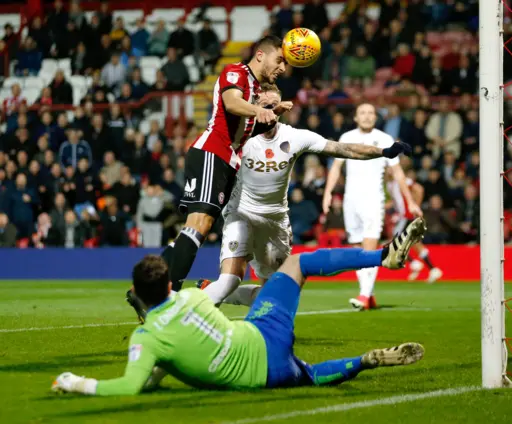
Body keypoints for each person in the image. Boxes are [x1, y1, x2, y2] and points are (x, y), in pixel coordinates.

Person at [52, 218, 426, 395]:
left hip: (265, 376)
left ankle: (360, 362)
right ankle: (383, 256)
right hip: (264, 331)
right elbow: (231, 296)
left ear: (137, 292)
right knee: (297, 264)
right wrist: (271, 293)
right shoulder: (194, 296)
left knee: (308, 375)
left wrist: (76, 382)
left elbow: (135, 385)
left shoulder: (148, 338)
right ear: (169, 285)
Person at [195, 85, 412, 310]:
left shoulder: (295, 136)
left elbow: (343, 149)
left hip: (275, 220)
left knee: (277, 296)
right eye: (264, 106)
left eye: (273, 106)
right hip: (241, 214)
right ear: (253, 107)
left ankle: (214, 293)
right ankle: (188, 319)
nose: (270, 111)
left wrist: (383, 152)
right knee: (229, 281)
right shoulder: (240, 136)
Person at [126, 35, 292, 318]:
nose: (283, 68)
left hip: (226, 162)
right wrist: (260, 110)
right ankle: (166, 298)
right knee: (198, 226)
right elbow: (230, 103)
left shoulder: (254, 87)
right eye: (280, 60)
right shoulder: (236, 72)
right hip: (211, 153)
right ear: (261, 55)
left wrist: (270, 112)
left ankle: (144, 292)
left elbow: (242, 129)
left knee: (193, 231)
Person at [322, 103, 423, 311]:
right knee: (357, 248)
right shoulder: (346, 137)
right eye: (362, 113)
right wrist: (328, 192)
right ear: (356, 117)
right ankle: (369, 293)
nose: (367, 116)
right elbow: (336, 168)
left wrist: (410, 201)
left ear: (375, 117)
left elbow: (397, 174)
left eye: (370, 113)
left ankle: (364, 295)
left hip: (373, 199)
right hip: (351, 200)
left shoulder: (385, 139)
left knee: (369, 247)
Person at [386, 168, 443, 283]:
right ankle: (433, 269)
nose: (388, 171)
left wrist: (416, 206)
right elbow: (396, 201)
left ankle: (414, 264)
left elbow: (419, 189)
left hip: (407, 215)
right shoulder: (389, 184)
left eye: (390, 169)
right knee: (415, 243)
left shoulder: (402, 180)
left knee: (394, 240)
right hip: (402, 216)